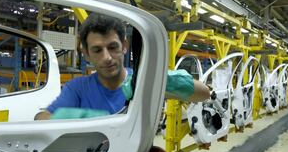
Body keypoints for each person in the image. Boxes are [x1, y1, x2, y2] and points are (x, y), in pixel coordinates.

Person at [36, 13, 211, 120]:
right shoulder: (78, 88)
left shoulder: (142, 82)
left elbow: (203, 94)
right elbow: (41, 118)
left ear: (124, 46)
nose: (107, 57)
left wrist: (160, 79)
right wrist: (91, 119)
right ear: (87, 54)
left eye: (113, 47)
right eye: (97, 50)